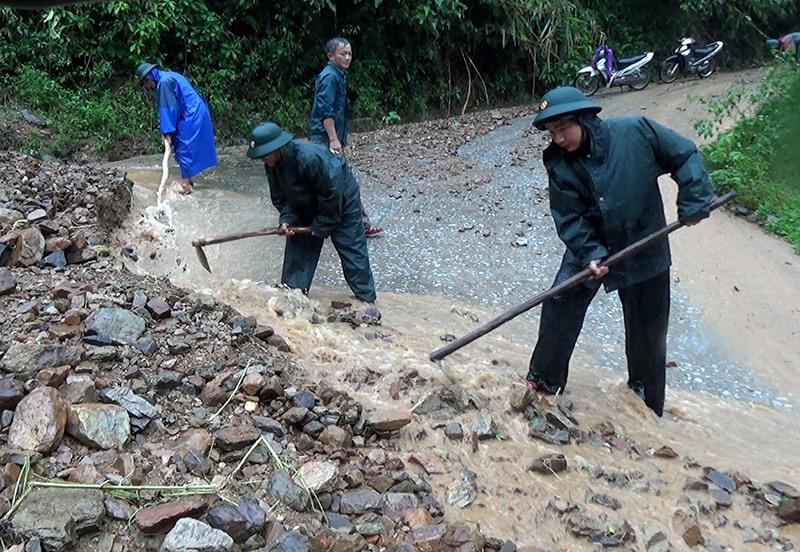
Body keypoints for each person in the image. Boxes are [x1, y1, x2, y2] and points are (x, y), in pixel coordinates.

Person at [524, 86, 714, 417]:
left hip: (644, 242)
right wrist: (590, 252)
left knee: (648, 329)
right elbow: (569, 216)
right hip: (592, 245)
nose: (557, 139)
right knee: (560, 301)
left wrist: (694, 201)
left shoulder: (636, 132)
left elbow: (683, 155)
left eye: (563, 129)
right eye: (551, 132)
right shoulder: (558, 163)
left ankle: (645, 402)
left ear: (583, 119)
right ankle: (544, 381)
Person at [247, 121, 379, 313]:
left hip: (340, 196)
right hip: (306, 199)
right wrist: (287, 219)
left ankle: (367, 300)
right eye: (262, 158)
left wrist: (322, 224)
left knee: (350, 245)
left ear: (278, 149)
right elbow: (280, 198)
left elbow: (332, 193)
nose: (264, 161)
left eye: (266, 157)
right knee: (299, 245)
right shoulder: (272, 165)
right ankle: (294, 296)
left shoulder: (309, 157)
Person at [309, 37, 383, 236]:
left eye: (350, 53)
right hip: (325, 140)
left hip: (327, 139)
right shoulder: (330, 77)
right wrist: (334, 140)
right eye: (343, 53)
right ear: (330, 56)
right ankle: (360, 225)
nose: (348, 57)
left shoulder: (337, 75)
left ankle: (348, 224)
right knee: (345, 184)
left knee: (329, 183)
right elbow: (326, 111)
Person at [136, 63, 217, 194]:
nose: (148, 86)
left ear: (148, 78)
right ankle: (188, 179)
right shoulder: (170, 75)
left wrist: (167, 132)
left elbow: (168, 108)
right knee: (184, 145)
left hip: (191, 113)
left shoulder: (163, 83)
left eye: (146, 82)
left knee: (184, 146)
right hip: (196, 110)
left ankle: (184, 185)